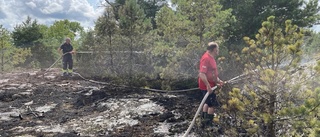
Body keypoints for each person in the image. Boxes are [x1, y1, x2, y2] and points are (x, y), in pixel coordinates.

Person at [198, 42, 224, 129]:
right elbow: (202, 74)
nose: (218, 51)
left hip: (211, 84)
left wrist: (219, 81)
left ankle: (203, 121)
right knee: (212, 105)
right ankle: (208, 125)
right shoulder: (206, 58)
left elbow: (213, 73)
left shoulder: (212, 58)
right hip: (207, 86)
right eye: (217, 49)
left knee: (207, 103)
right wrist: (208, 86)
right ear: (213, 49)